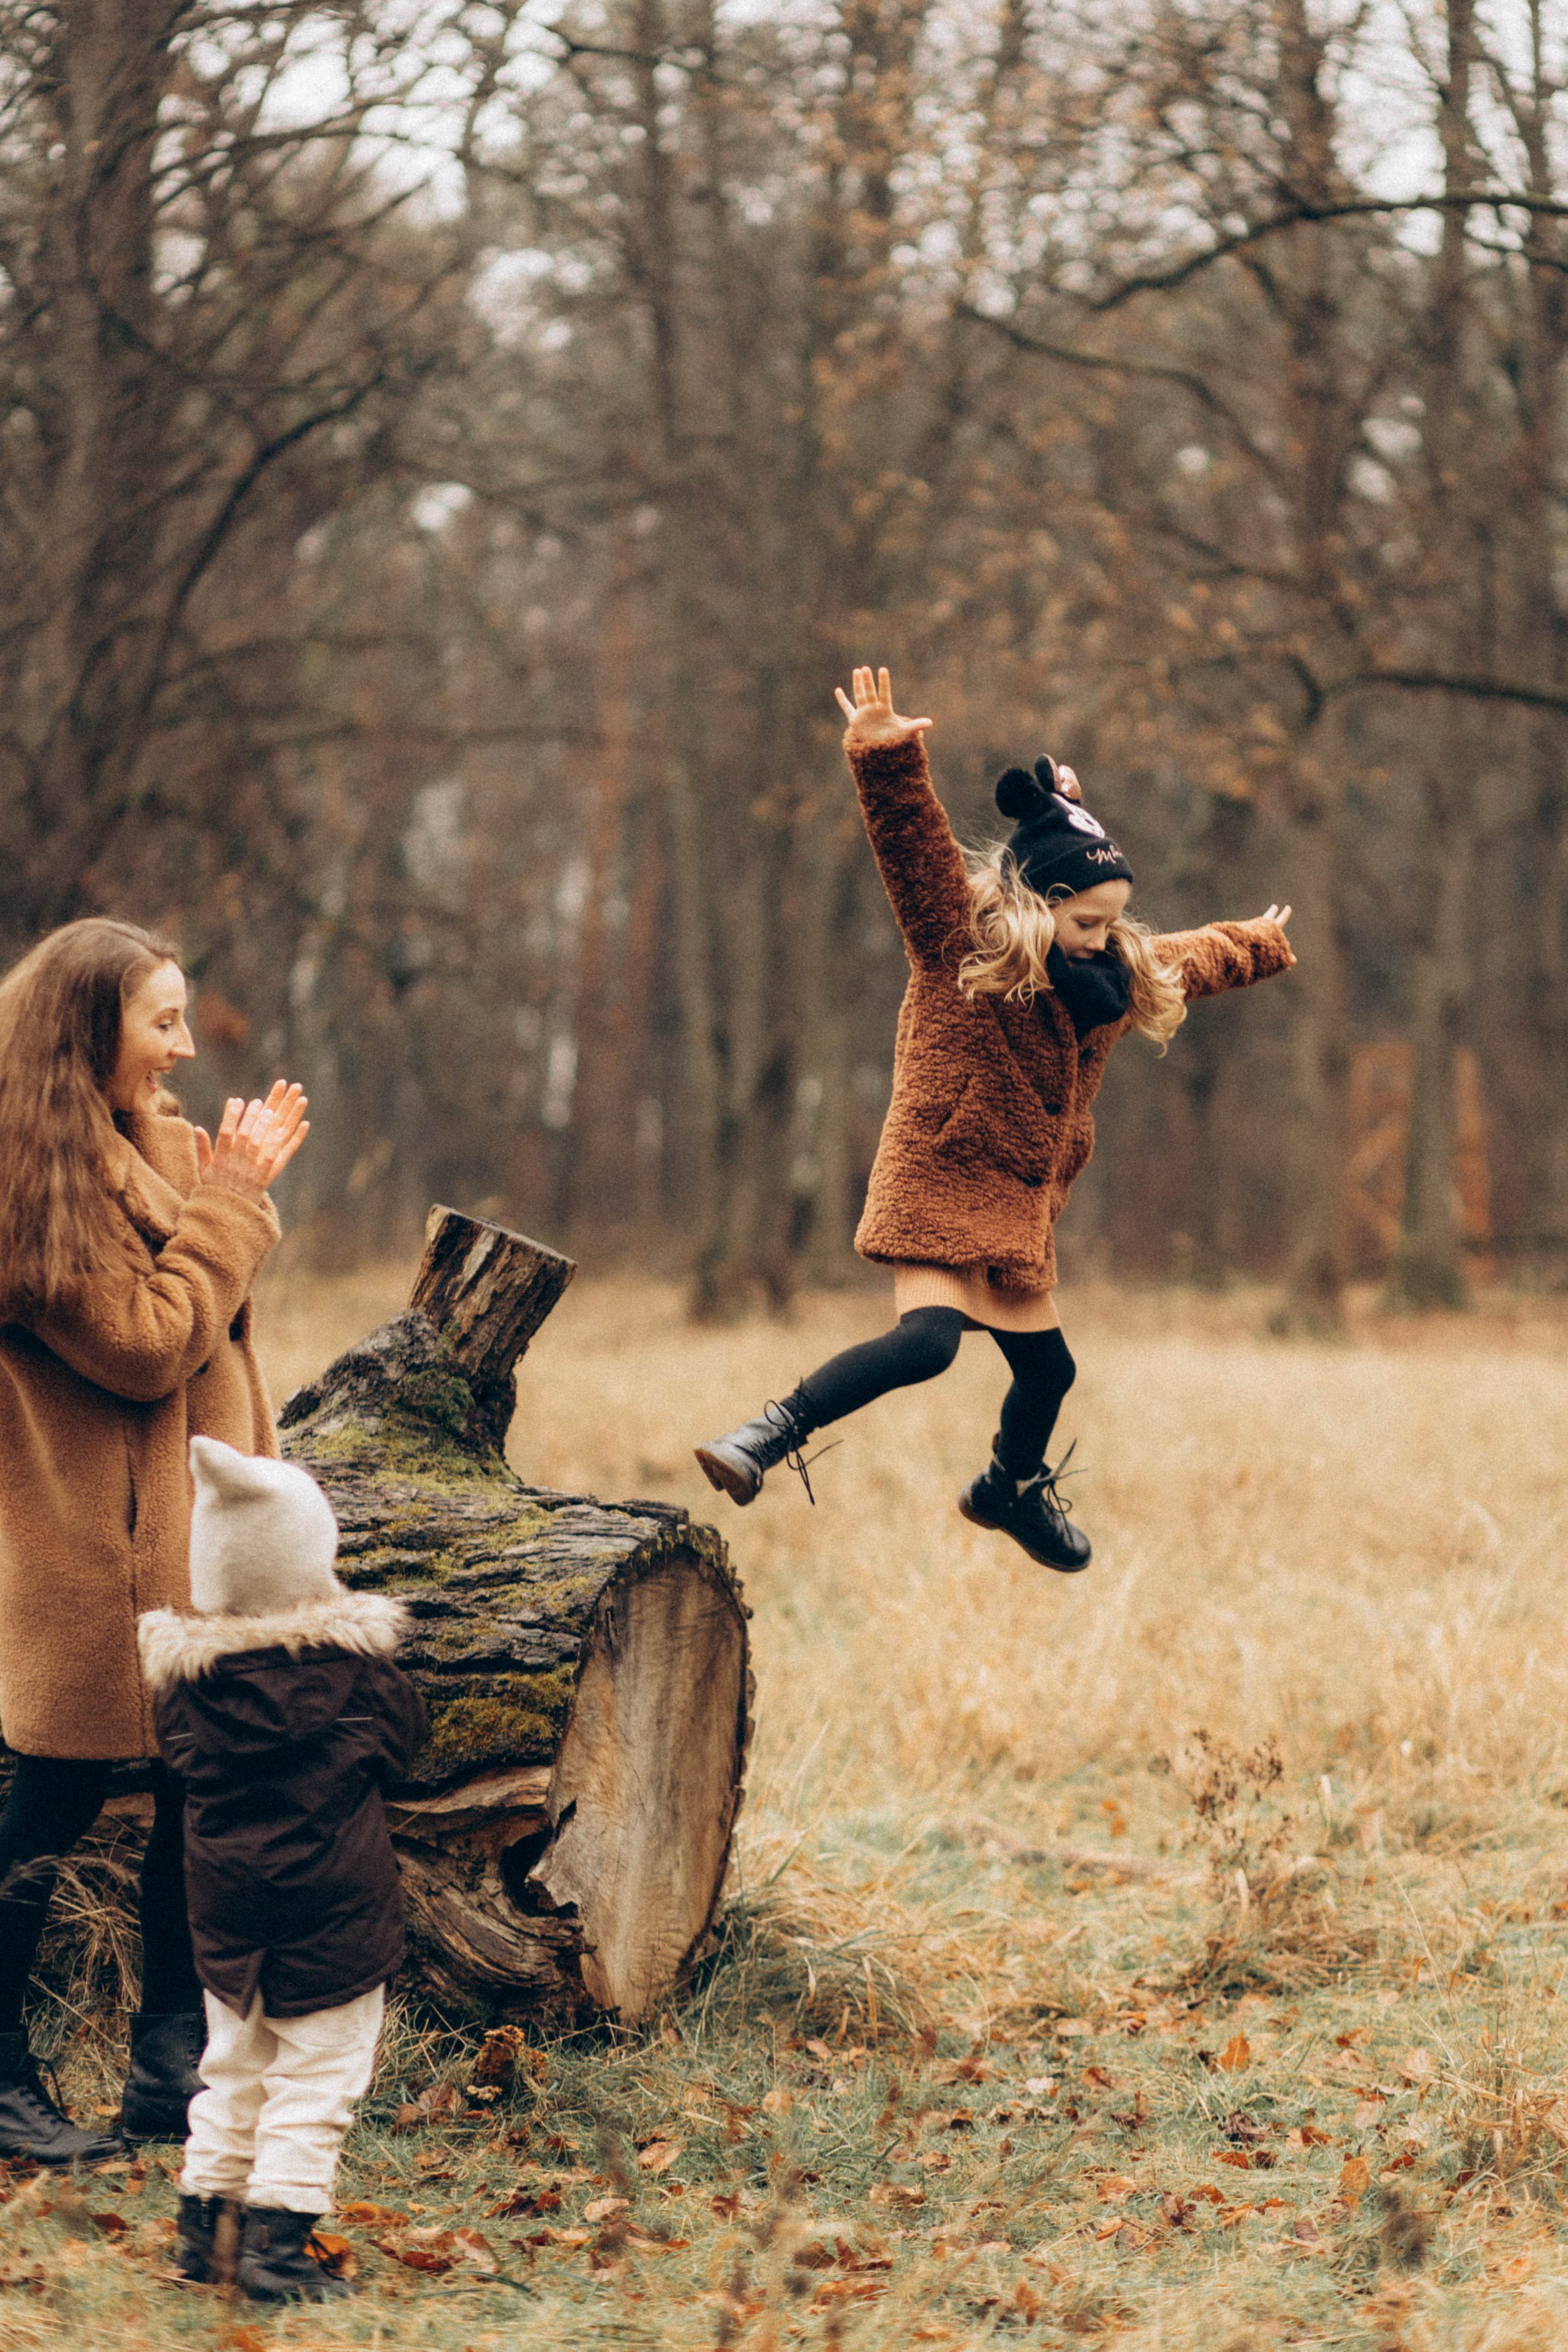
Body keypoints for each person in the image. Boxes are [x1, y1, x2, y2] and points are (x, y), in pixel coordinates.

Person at [696, 666, 1295, 1567]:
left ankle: (1006, 1491)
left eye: (1113, 920)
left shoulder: (1109, 979)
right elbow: (916, 852)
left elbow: (1189, 960)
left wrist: (1260, 939)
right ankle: (763, 1438)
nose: (1105, 938)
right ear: (1041, 903)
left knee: (1051, 1372)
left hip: (1017, 1211)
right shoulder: (961, 945)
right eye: (1089, 921)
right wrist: (886, 751)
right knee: (930, 1345)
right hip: (943, 1179)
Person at [0, 918, 308, 2164]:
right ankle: (3, 2080)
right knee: (52, 1802)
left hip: (196, 1544)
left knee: (200, 1796)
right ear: (88, 1035)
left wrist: (216, 1185)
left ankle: (169, 2074)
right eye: (161, 1022)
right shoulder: (28, 1182)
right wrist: (231, 1203)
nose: (184, 1047)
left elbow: (215, 1334)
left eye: (185, 1018)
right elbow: (143, 1344)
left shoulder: (162, 1150)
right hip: (92, 1559)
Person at [140, 1437, 424, 2302]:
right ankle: (273, 2251)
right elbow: (408, 1745)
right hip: (334, 1914)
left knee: (234, 2067)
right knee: (318, 2077)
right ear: (312, 1562)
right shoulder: (359, 1677)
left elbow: (178, 1767)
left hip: (225, 1916)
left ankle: (206, 2234)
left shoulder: (185, 1688)